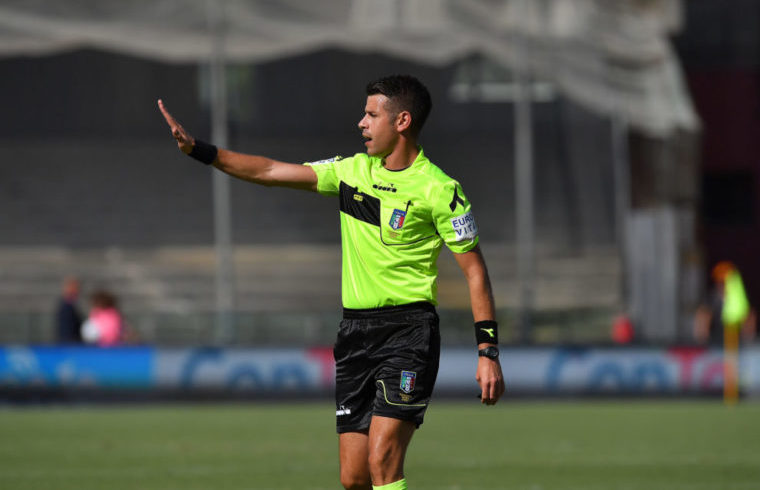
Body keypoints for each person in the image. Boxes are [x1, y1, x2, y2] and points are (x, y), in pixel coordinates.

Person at [158, 74, 505, 490]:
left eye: (371, 114)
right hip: (355, 333)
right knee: (353, 478)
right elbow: (269, 170)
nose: (361, 122)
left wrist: (487, 352)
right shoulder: (350, 172)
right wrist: (199, 150)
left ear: (402, 121)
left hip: (409, 334)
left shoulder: (440, 190)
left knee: (383, 459)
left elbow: (475, 272)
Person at [55, 276, 83, 344]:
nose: (77, 290)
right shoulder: (65, 307)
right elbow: (66, 330)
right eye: (74, 287)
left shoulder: (71, 305)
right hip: (69, 344)